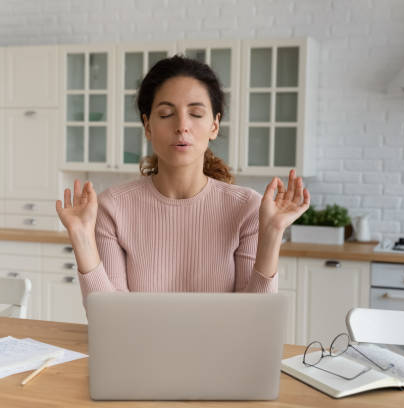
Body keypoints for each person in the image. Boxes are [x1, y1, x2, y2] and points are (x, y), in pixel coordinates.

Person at [56, 55, 310, 306]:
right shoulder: (113, 207)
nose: (182, 125)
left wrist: (273, 233)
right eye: (166, 114)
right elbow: (108, 319)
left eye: (196, 114)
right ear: (147, 126)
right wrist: (81, 237)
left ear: (214, 125)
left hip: (221, 348)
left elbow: (255, 321)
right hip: (140, 347)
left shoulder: (246, 208)